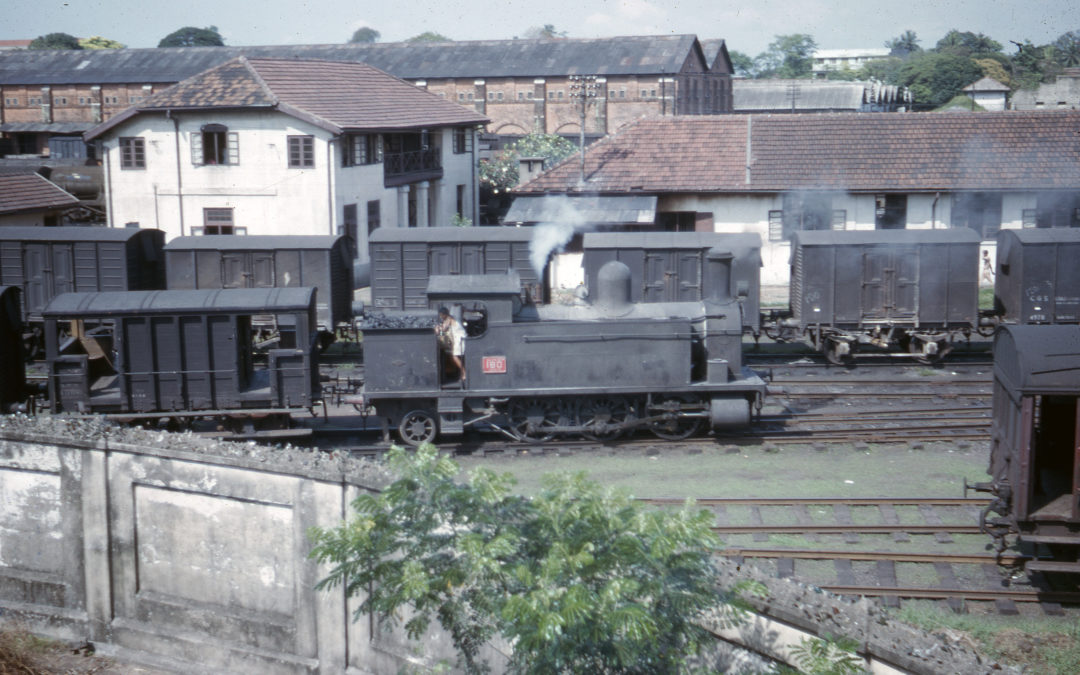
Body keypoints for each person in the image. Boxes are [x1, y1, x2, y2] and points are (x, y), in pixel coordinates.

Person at [436, 307, 466, 385]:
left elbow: (444, 329)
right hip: (457, 340)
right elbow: (443, 332)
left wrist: (438, 329)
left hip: (460, 340)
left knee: (455, 357)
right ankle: (461, 373)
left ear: (444, 314)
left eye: (441, 315)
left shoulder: (450, 319)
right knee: (454, 357)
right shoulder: (449, 319)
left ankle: (464, 373)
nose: (441, 317)